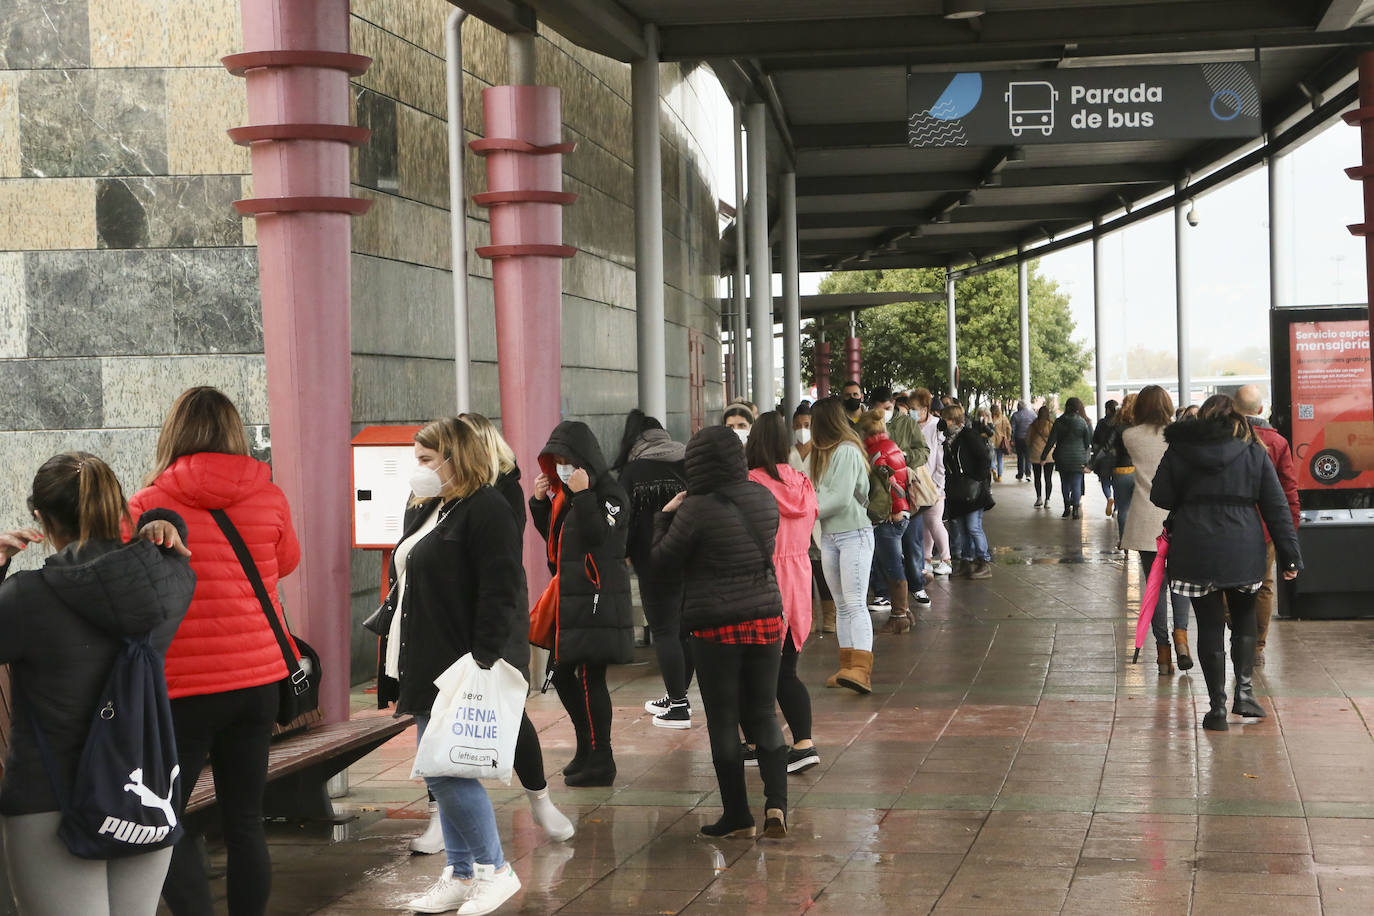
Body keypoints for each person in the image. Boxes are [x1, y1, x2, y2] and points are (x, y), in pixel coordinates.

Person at [129, 387, 302, 916]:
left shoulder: (145, 505)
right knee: (245, 822)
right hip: (258, 683)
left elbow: (129, 587)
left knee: (165, 820)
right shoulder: (268, 495)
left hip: (185, 689)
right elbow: (287, 562)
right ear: (235, 432)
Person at [0, 454, 195, 916]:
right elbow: (161, 561)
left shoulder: (26, 597)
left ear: (41, 519)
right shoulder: (170, 582)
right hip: (141, 795)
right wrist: (163, 522)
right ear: (118, 508)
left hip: (50, 799)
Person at [376, 418, 524, 915]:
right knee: (439, 770)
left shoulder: (487, 508)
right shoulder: (431, 507)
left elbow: (500, 589)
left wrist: (482, 658)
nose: (417, 469)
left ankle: (493, 870)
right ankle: (461, 873)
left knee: (447, 771)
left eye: (425, 459)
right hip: (420, 656)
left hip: (456, 660)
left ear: (453, 458)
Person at [652, 426, 789, 838]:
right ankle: (777, 807)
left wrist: (663, 516)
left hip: (715, 628)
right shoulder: (764, 498)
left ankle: (737, 814)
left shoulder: (695, 509)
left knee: (724, 720)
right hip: (766, 618)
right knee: (764, 712)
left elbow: (661, 563)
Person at [1151, 394, 1302, 731]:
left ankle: (1216, 708)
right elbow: (1277, 506)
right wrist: (1290, 554)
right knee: (1245, 618)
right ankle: (1244, 694)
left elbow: (1159, 495)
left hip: (1194, 546)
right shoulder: (1253, 448)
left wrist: (1190, 493)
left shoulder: (1181, 448)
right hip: (1243, 546)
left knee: (1209, 624)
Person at [459, 413, 575, 840]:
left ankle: (540, 799)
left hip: (495, 612)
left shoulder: (501, 491)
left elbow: (502, 564)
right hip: (448, 616)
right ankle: (442, 812)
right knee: (438, 714)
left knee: (509, 709)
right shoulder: (436, 494)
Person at [530, 421, 634, 787]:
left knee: (591, 678)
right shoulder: (567, 496)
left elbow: (597, 537)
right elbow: (559, 544)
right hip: (572, 599)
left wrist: (584, 496)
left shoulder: (610, 493)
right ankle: (586, 747)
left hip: (596, 600)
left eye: (567, 460)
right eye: (555, 461)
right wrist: (540, 505)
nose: (561, 467)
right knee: (561, 674)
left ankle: (601, 757)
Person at [745, 412, 822, 772]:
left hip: (761, 581)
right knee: (786, 671)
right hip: (798, 580)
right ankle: (804, 744)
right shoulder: (803, 484)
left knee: (750, 671)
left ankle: (755, 742)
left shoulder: (750, 484)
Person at [611, 409, 692, 726]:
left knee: (664, 630)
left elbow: (623, 521)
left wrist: (627, 553)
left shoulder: (633, 471)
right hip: (689, 555)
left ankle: (679, 705)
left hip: (651, 560)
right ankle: (678, 694)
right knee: (685, 629)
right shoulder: (688, 461)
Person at [1120, 386, 1193, 675]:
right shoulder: (1181, 437)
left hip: (1145, 520)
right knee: (1181, 583)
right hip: (1178, 519)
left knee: (1154, 588)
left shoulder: (1130, 436)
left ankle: (1163, 654)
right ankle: (1182, 638)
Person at [807, 397, 877, 693]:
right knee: (843, 604)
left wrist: (803, 511)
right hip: (832, 536)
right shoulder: (824, 453)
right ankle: (848, 666)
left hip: (854, 534)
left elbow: (839, 498)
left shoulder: (847, 451)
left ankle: (861, 669)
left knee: (855, 603)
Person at [1234, 384, 1300, 667]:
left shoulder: (1224, 438)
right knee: (1263, 585)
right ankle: (1257, 646)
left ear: (1234, 410)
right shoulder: (1277, 442)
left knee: (1226, 583)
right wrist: (1289, 532)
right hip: (1265, 528)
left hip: (1228, 526)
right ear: (1261, 410)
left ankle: (1236, 631)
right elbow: (1288, 491)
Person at [856, 410, 917, 631]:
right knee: (892, 562)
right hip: (900, 513)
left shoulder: (875, 451)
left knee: (891, 565)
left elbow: (888, 482)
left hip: (890, 517)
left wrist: (894, 508)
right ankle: (904, 612)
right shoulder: (890, 445)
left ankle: (899, 615)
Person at [789, 403, 836, 636]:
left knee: (821, 570)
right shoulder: (788, 454)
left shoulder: (822, 452)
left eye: (806, 425)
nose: (802, 430)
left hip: (818, 517)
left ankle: (830, 616)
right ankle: (808, 617)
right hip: (795, 521)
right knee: (802, 574)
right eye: (798, 426)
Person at [887, 395, 931, 610]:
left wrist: (902, 456)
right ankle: (884, 592)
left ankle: (916, 584)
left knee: (912, 541)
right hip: (882, 497)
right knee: (886, 546)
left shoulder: (907, 424)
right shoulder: (868, 425)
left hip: (908, 492)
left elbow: (924, 452)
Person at [941, 405, 994, 579]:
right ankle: (966, 561)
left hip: (972, 491)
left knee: (973, 527)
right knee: (960, 528)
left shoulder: (968, 436)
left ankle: (983, 561)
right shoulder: (947, 440)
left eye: (946, 419)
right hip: (957, 491)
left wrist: (977, 479)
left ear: (954, 420)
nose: (944, 422)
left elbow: (984, 458)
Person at [912, 388, 952, 576]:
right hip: (916, 482)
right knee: (924, 523)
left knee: (934, 520)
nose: (914, 411)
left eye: (917, 408)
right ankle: (926, 559)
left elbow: (941, 458)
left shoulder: (937, 425)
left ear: (926, 408)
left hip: (934, 483)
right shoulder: (910, 425)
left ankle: (946, 559)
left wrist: (938, 483)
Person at [1042, 397, 1093, 519]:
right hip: (1078, 459)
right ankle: (1075, 510)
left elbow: (1051, 441)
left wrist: (1043, 456)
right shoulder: (1082, 422)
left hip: (1062, 457)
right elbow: (1087, 442)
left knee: (1064, 483)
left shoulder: (1059, 422)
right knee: (1076, 483)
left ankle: (1066, 508)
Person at [1107, 394, 1137, 546]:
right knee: (1140, 508)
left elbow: (1106, 447)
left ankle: (1124, 541)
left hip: (1121, 470)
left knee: (1123, 508)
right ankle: (1140, 538)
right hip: (1141, 471)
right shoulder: (1143, 427)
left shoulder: (1117, 427)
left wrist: (1090, 465)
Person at [1093, 400, 1119, 515]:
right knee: (1117, 483)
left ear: (1107, 409)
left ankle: (1109, 497)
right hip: (1118, 457)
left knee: (1105, 481)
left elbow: (1094, 440)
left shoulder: (1101, 423)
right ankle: (1117, 508)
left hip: (1103, 456)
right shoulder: (1119, 423)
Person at [1010, 400, 1036, 481]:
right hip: (1029, 439)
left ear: (1019, 406)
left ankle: (1020, 473)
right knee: (1028, 456)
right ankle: (1028, 474)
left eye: (1017, 406)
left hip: (1019, 439)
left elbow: (1012, 429)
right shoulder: (1032, 414)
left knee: (1020, 457)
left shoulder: (1015, 415)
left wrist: (1012, 440)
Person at [990, 404, 1013, 483]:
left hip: (991, 441)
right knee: (1000, 459)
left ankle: (993, 468)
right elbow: (1009, 429)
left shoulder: (990, 419)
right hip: (1001, 441)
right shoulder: (1004, 418)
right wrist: (1008, 438)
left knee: (991, 458)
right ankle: (1000, 476)